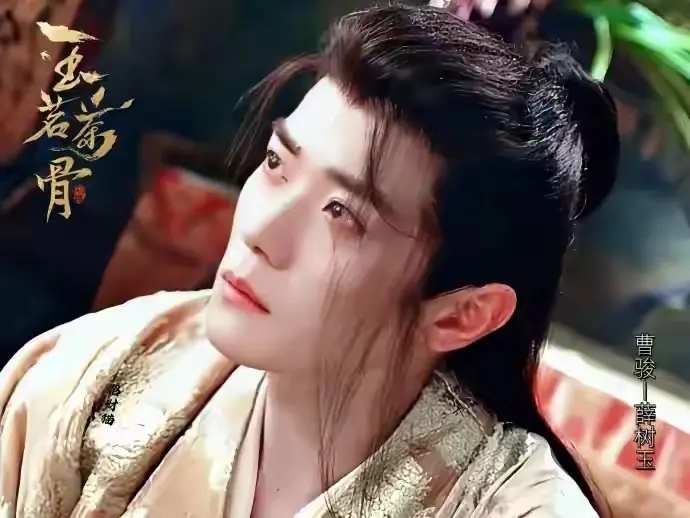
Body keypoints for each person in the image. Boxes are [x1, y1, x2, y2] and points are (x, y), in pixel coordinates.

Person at [0, 5, 619, 517]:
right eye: (276, 164)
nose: (260, 231)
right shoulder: (99, 376)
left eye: (341, 214)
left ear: (461, 314)